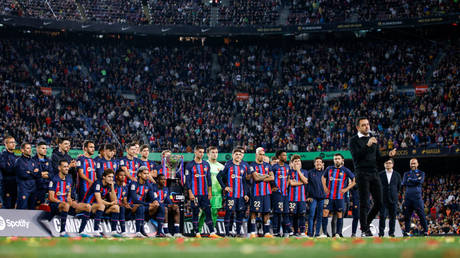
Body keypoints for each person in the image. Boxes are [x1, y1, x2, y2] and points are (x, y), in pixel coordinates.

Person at [348, 117, 396, 237]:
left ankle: (365, 224)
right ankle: (365, 230)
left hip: (374, 173)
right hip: (361, 173)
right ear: (358, 127)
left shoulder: (373, 140)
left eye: (368, 124)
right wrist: (367, 145)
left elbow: (378, 159)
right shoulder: (353, 140)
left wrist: (388, 156)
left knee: (379, 203)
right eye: (364, 125)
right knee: (364, 202)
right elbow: (356, 157)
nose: (367, 127)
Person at [48, 160, 91, 237]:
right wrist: (63, 202)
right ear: (59, 168)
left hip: (66, 205)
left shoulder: (69, 179)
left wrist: (71, 201)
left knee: (87, 207)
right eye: (64, 167)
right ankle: (62, 231)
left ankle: (81, 231)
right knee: (66, 205)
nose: (67, 168)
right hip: (55, 205)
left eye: (68, 166)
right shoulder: (54, 179)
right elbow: (51, 198)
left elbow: (69, 195)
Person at [186, 146, 220, 238]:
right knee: (196, 212)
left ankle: (212, 233)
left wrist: (209, 192)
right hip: (195, 193)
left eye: (203, 152)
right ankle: (197, 233)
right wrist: (190, 192)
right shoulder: (190, 165)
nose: (201, 154)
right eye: (200, 152)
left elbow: (208, 179)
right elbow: (188, 181)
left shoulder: (206, 164)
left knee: (208, 212)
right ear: (195, 152)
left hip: (204, 194)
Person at [321, 153, 356, 237]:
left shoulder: (345, 170)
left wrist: (346, 189)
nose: (336, 160)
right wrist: (325, 187)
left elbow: (354, 180)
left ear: (342, 160)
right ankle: (324, 233)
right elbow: (323, 177)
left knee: (339, 213)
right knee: (325, 212)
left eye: (338, 158)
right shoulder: (329, 169)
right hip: (329, 196)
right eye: (335, 159)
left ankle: (338, 233)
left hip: (339, 197)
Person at [217, 148, 249, 237]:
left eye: (240, 154)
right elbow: (219, 176)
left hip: (241, 195)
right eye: (236, 154)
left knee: (240, 213)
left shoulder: (243, 167)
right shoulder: (228, 165)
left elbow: (244, 182)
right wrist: (224, 187)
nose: (238, 156)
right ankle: (227, 233)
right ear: (233, 155)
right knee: (229, 212)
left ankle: (238, 233)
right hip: (231, 195)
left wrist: (246, 194)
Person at [81, 169, 121, 237]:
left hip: (99, 208)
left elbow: (114, 200)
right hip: (88, 205)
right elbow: (99, 200)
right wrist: (110, 204)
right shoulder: (98, 183)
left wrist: (112, 187)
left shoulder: (109, 185)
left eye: (112, 177)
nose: (111, 179)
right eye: (109, 177)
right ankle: (96, 230)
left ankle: (113, 231)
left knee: (116, 207)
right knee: (101, 206)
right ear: (104, 177)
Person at [248, 147, 274, 238]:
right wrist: (266, 175)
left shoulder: (268, 165)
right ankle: (252, 232)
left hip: (266, 193)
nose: (262, 156)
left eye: (263, 155)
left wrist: (261, 176)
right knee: (254, 212)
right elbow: (255, 178)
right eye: (260, 154)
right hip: (256, 193)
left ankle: (266, 232)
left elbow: (272, 178)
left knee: (266, 212)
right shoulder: (252, 165)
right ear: (256, 154)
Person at [128, 166, 158, 238]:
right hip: (131, 205)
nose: (147, 175)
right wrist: (148, 204)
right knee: (141, 207)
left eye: (148, 174)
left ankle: (160, 231)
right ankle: (138, 231)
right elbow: (134, 200)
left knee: (159, 207)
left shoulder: (148, 185)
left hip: (142, 205)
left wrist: (155, 201)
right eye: (145, 173)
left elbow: (152, 197)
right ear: (139, 174)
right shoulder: (134, 184)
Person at [402, 158, 428, 236]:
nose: (413, 165)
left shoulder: (421, 173)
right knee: (407, 216)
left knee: (421, 215)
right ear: (410, 164)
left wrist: (410, 180)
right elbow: (404, 183)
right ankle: (406, 232)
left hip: (417, 198)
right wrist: (415, 180)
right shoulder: (406, 174)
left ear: (417, 164)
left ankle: (426, 231)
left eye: (414, 163)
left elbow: (420, 182)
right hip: (408, 198)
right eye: (411, 163)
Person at [379, 158, 401, 237]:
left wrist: (394, 194)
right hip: (383, 199)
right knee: (382, 217)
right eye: (386, 163)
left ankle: (391, 233)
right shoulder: (380, 174)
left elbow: (398, 187)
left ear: (392, 164)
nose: (388, 164)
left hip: (393, 199)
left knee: (392, 217)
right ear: (384, 164)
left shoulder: (397, 175)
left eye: (389, 163)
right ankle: (381, 234)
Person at [271, 150, 291, 237]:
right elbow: (271, 177)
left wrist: (286, 186)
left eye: (286, 155)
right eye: (283, 155)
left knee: (286, 212)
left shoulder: (287, 167)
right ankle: (276, 232)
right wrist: (273, 187)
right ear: (279, 157)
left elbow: (288, 177)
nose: (285, 157)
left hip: (285, 194)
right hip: (277, 193)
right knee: (277, 212)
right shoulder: (274, 167)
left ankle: (286, 231)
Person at [288, 154, 308, 237]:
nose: (297, 163)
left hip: (302, 198)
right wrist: (301, 182)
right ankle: (294, 232)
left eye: (299, 161)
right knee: (293, 215)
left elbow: (306, 181)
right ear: (292, 163)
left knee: (302, 215)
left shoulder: (304, 171)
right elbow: (291, 183)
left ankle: (302, 232)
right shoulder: (289, 172)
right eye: (295, 161)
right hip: (291, 198)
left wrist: (298, 171)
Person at [15, 143, 41, 209]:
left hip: (33, 188)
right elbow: (23, 175)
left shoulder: (33, 161)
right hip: (23, 188)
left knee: (32, 208)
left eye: (30, 148)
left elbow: (38, 174)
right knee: (22, 207)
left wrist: (29, 172)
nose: (30, 150)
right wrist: (33, 172)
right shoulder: (19, 161)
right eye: (27, 148)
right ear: (22, 150)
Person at [204, 146, 224, 228]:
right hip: (205, 192)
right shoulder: (204, 164)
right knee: (202, 212)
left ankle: (213, 230)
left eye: (216, 152)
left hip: (217, 193)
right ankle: (198, 231)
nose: (215, 154)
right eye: (212, 152)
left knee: (214, 212)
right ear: (208, 154)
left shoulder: (222, 166)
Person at [306, 157, 326, 237]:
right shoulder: (310, 172)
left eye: (320, 162)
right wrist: (307, 196)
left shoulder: (325, 173)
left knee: (320, 216)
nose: (318, 163)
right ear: (314, 164)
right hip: (312, 198)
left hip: (322, 198)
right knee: (311, 215)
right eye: (317, 162)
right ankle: (310, 233)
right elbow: (306, 185)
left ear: (322, 164)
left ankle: (317, 233)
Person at [0, 136, 18, 208]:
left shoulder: (15, 156)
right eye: (11, 142)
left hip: (14, 185)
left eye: (14, 142)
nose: (14, 144)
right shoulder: (2, 156)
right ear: (6, 144)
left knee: (13, 207)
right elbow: (7, 169)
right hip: (6, 185)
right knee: (7, 207)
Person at [34, 142, 52, 207]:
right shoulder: (33, 160)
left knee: (47, 207)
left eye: (46, 148)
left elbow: (51, 173)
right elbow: (35, 174)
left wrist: (41, 174)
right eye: (43, 148)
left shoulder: (48, 160)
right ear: (37, 149)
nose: (45, 150)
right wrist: (46, 173)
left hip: (47, 187)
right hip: (37, 187)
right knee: (37, 207)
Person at [113, 168, 130, 237]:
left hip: (121, 205)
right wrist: (123, 205)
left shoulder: (125, 187)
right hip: (112, 205)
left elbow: (124, 199)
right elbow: (112, 199)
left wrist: (127, 204)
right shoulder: (113, 186)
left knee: (130, 208)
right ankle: (122, 231)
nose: (123, 177)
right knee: (122, 208)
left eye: (124, 175)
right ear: (116, 176)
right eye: (121, 175)